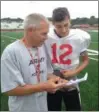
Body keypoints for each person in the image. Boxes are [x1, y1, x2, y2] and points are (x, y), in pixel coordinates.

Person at [1, 13, 68, 112]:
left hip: (42, 107)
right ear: (30, 30)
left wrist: (58, 80)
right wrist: (43, 87)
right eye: (44, 33)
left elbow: (46, 73)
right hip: (22, 108)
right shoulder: (11, 52)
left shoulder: (42, 47)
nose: (46, 37)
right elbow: (10, 90)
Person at [45, 7, 91, 111]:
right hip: (53, 79)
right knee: (52, 108)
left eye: (66, 25)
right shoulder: (47, 36)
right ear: (53, 24)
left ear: (70, 20)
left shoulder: (79, 37)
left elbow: (86, 60)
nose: (63, 30)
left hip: (71, 80)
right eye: (59, 26)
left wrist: (73, 72)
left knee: (74, 108)